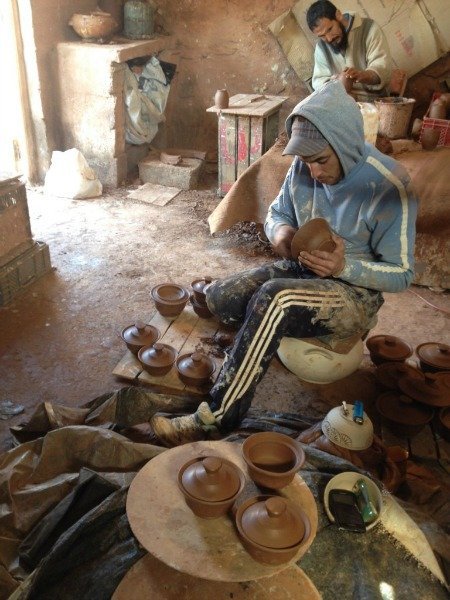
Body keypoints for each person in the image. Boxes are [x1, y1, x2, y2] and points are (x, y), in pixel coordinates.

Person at [151, 80, 417, 447]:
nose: (313, 172)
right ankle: (260, 336)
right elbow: (277, 213)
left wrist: (343, 268)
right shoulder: (305, 169)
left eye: (321, 160)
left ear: (346, 145)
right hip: (303, 268)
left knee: (275, 299)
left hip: (354, 294)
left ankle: (217, 417)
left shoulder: (389, 185)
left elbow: (402, 274)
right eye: (305, 161)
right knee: (219, 297)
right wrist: (282, 235)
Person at [306, 0, 392, 100]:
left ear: (338, 15)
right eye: (322, 36)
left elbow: (383, 69)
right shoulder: (321, 48)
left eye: (329, 29)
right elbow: (318, 83)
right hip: (345, 106)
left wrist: (361, 75)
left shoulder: (369, 29)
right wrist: (337, 81)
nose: (329, 38)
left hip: (376, 102)